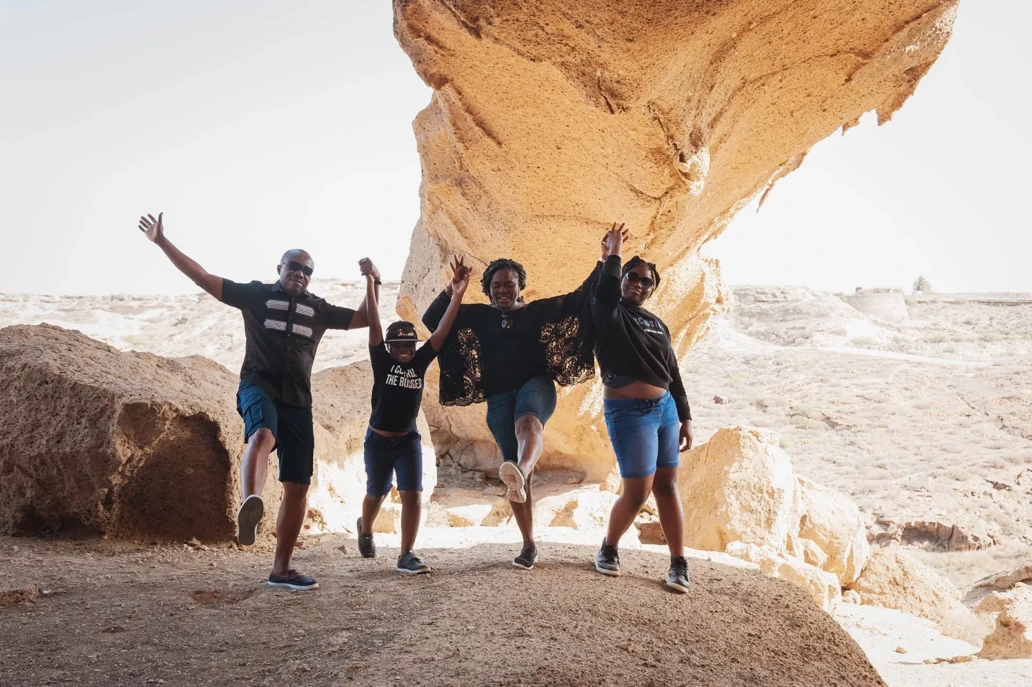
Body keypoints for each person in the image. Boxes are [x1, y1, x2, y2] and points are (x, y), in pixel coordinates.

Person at [137, 212, 376, 591]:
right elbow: (203, 278)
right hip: (258, 386)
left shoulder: (319, 309)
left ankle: (281, 570)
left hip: (299, 400)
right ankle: (251, 502)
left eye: (307, 269)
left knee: (298, 486)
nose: (300, 272)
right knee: (262, 434)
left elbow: (366, 318)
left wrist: (372, 280)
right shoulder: (256, 295)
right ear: (279, 268)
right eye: (293, 266)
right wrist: (162, 241)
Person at [422, 253, 605, 569]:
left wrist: (605, 260)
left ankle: (520, 468)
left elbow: (581, 298)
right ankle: (528, 544)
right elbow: (433, 319)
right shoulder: (478, 315)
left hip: (536, 385)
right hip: (498, 396)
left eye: (509, 284)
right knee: (520, 481)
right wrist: (455, 289)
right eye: (496, 285)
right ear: (488, 288)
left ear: (521, 286)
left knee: (529, 424)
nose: (503, 290)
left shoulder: (537, 312)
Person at [590, 224, 694, 593]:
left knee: (667, 486)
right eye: (632, 277)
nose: (637, 283)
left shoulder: (657, 324)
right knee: (637, 492)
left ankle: (678, 562)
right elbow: (603, 289)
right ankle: (608, 547)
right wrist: (612, 253)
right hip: (628, 412)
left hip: (665, 410)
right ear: (621, 280)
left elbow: (672, 370)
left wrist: (685, 417)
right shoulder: (607, 311)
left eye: (646, 282)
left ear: (652, 290)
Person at [357, 256, 470, 574]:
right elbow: (375, 322)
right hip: (378, 441)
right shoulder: (381, 359)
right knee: (376, 493)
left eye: (409, 345)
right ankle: (365, 528)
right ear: (389, 347)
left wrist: (457, 295)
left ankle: (406, 554)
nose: (404, 350)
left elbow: (441, 334)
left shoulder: (420, 362)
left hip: (408, 440)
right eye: (398, 345)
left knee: (412, 494)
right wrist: (371, 282)